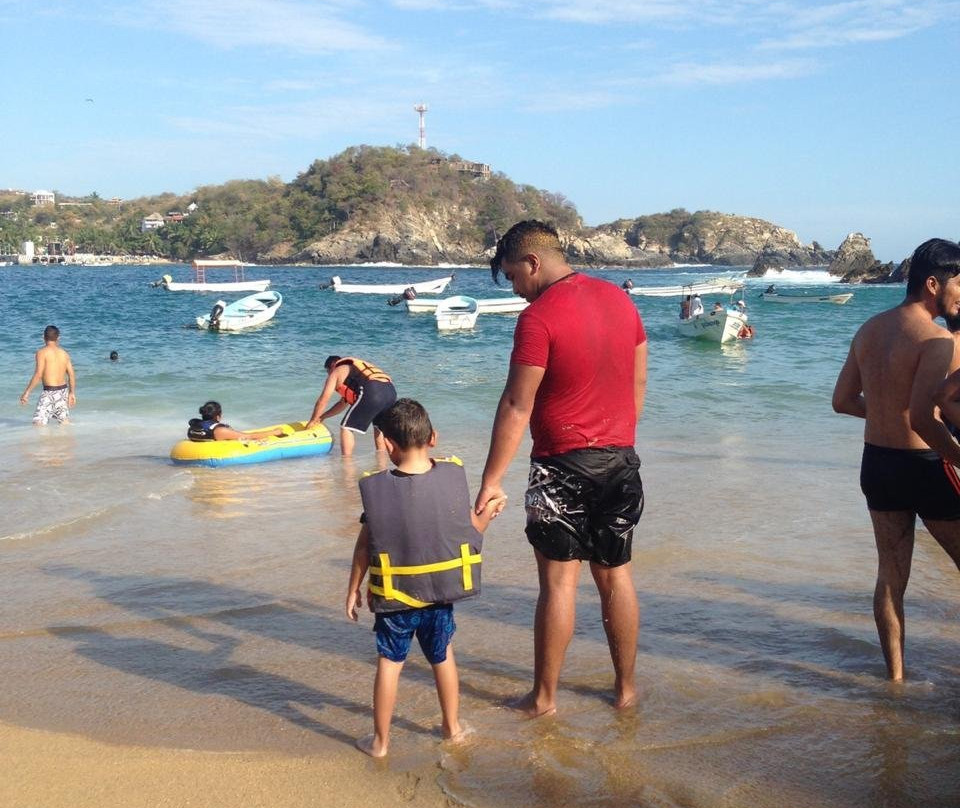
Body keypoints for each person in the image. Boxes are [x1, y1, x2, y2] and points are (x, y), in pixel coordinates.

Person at [474, 220, 647, 717]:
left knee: (558, 585)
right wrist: (618, 439)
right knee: (617, 576)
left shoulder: (538, 318)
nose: (516, 289)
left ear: (533, 262)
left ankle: (544, 699)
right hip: (620, 460)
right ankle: (626, 691)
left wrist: (490, 481)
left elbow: (516, 403)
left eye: (514, 277)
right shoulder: (621, 301)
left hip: (561, 467)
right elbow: (637, 383)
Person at [345, 398, 506, 757]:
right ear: (433, 437)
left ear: (388, 444)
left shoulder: (377, 489)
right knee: (442, 656)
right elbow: (470, 535)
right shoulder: (452, 479)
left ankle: (381, 742)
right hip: (439, 595)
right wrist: (490, 512)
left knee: (390, 663)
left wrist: (353, 588)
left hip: (396, 598)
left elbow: (365, 546)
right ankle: (452, 728)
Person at [832, 238, 960, 682]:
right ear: (933, 284)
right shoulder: (936, 339)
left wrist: (886, 412)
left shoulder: (869, 329)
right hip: (925, 466)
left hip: (878, 465)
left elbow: (842, 400)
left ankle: (897, 679)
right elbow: (924, 418)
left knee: (890, 574)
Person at [305, 355, 398, 456]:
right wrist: (322, 417)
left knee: (346, 427)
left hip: (372, 389)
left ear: (332, 366)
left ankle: (347, 462)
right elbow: (342, 404)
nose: (329, 375)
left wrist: (313, 420)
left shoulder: (337, 370)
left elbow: (323, 400)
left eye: (328, 371)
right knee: (378, 428)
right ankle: (381, 461)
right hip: (391, 392)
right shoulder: (354, 372)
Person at [20, 325, 77, 425]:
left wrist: (27, 392)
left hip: (49, 392)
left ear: (43, 337)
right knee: (64, 422)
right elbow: (71, 375)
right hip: (63, 391)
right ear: (58, 338)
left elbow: (38, 374)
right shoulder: (64, 353)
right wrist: (71, 393)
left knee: (38, 423)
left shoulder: (42, 353)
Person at [186, 400, 288, 441]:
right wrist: (274, 432)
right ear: (218, 416)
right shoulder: (219, 430)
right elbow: (248, 437)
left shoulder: (195, 425)